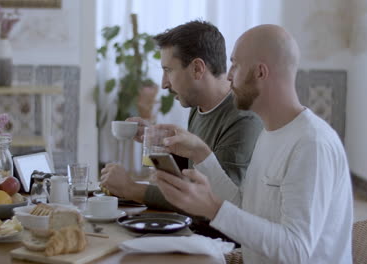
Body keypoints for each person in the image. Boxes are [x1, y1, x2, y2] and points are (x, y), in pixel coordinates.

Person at [155, 24, 353, 263]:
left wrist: (213, 208)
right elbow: (245, 208)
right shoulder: (270, 132)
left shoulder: (311, 144)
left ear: (260, 72)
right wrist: (201, 154)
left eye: (235, 65)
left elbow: (296, 250)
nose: (228, 75)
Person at [100, 21, 262, 239]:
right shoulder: (199, 106)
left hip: (219, 243)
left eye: (168, 70)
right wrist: (160, 141)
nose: (164, 84)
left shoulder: (243, 119)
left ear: (197, 68)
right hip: (192, 230)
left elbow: (213, 201)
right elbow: (193, 171)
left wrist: (130, 188)